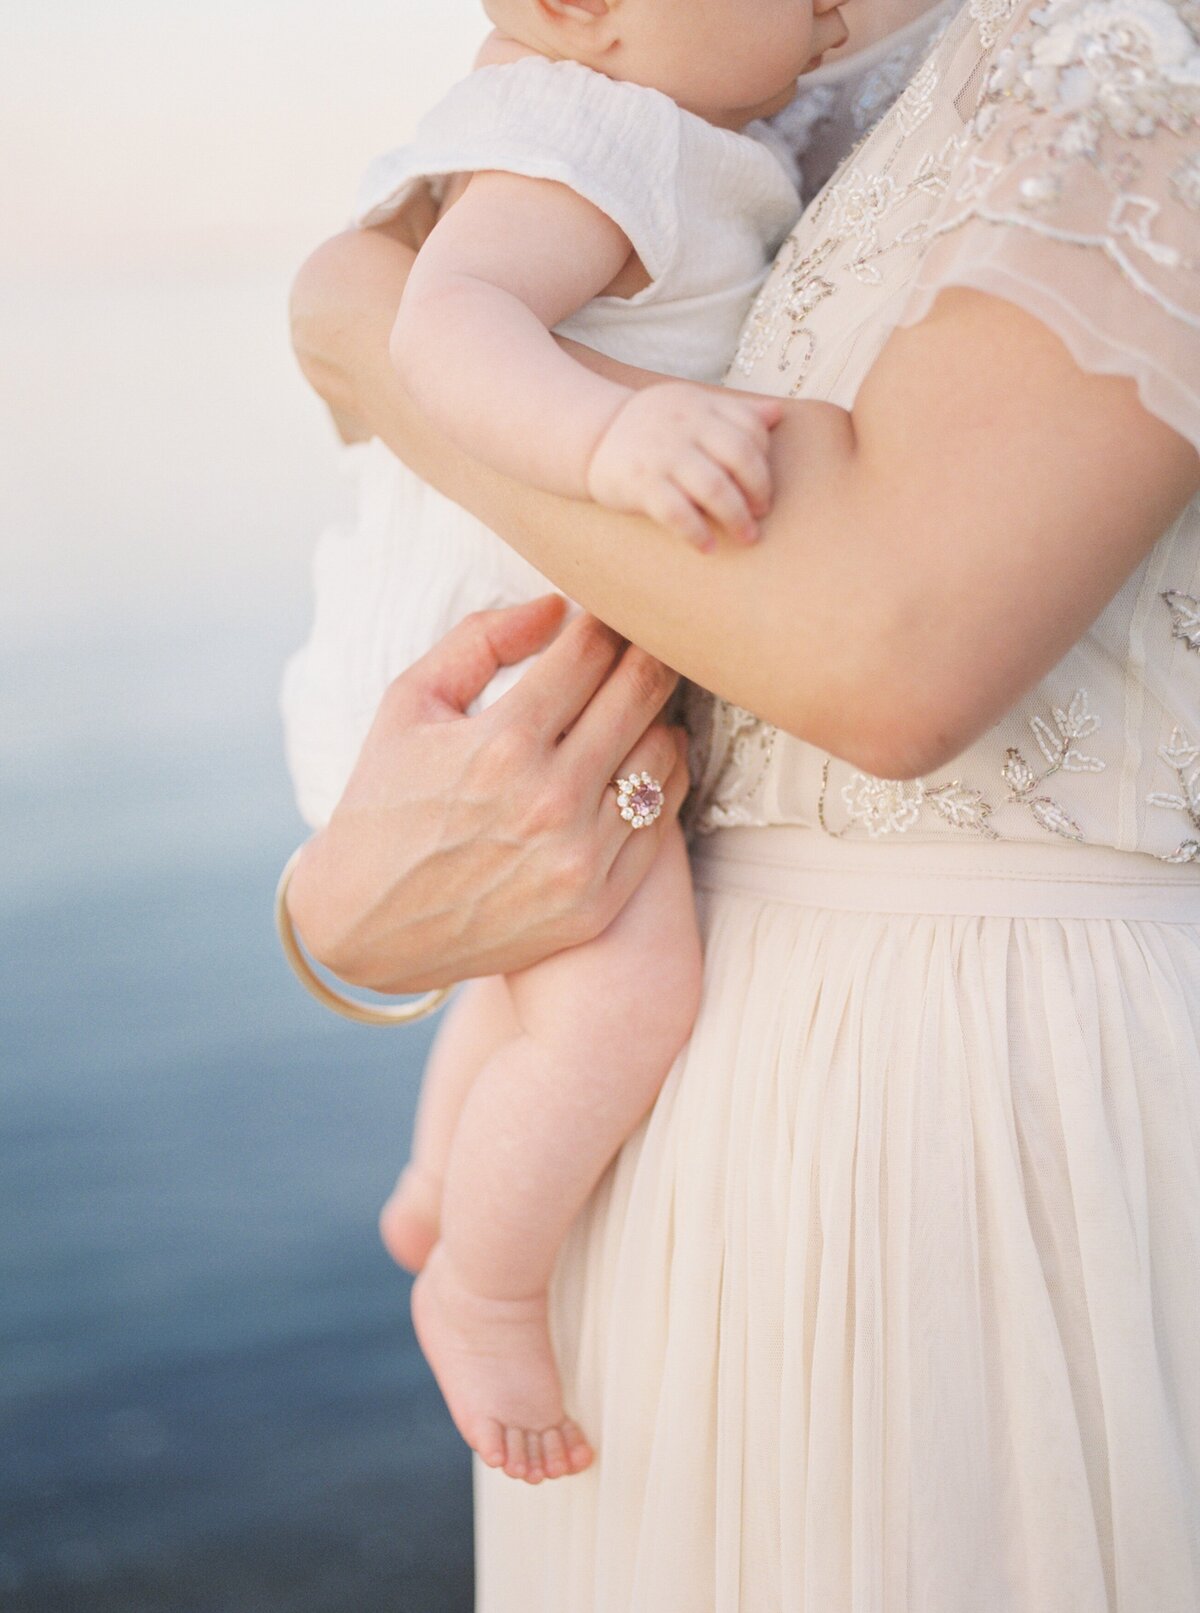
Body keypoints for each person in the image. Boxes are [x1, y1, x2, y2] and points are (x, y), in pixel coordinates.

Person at [286, 0, 1200, 1598]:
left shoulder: (1107, 48)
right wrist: (324, 926)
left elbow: (887, 651)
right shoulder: (699, 85)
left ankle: (464, 1222)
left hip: (980, 1109)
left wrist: (359, 319)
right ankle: (470, 1237)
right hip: (687, 1112)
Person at [282, 0, 856, 1484]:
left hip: (506, 655)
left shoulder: (670, 112)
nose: (823, 6)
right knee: (622, 991)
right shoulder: (587, 138)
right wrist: (615, 438)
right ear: (579, 14)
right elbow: (445, 325)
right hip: (494, 681)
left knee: (544, 962)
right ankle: (479, 1281)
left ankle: (433, 1172)